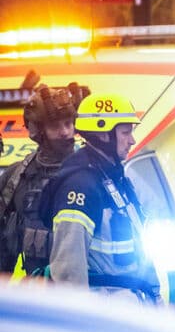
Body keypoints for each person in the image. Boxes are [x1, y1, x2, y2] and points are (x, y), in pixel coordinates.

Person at [45, 92, 159, 303]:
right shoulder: (80, 186)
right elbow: (68, 272)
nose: (132, 140)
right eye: (125, 132)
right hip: (107, 312)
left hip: (131, 308)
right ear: (103, 134)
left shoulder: (115, 178)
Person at [0, 82, 87, 276]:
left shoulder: (91, 171)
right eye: (55, 126)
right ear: (38, 131)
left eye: (68, 123)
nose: (65, 132)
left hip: (87, 290)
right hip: (37, 293)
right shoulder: (15, 178)